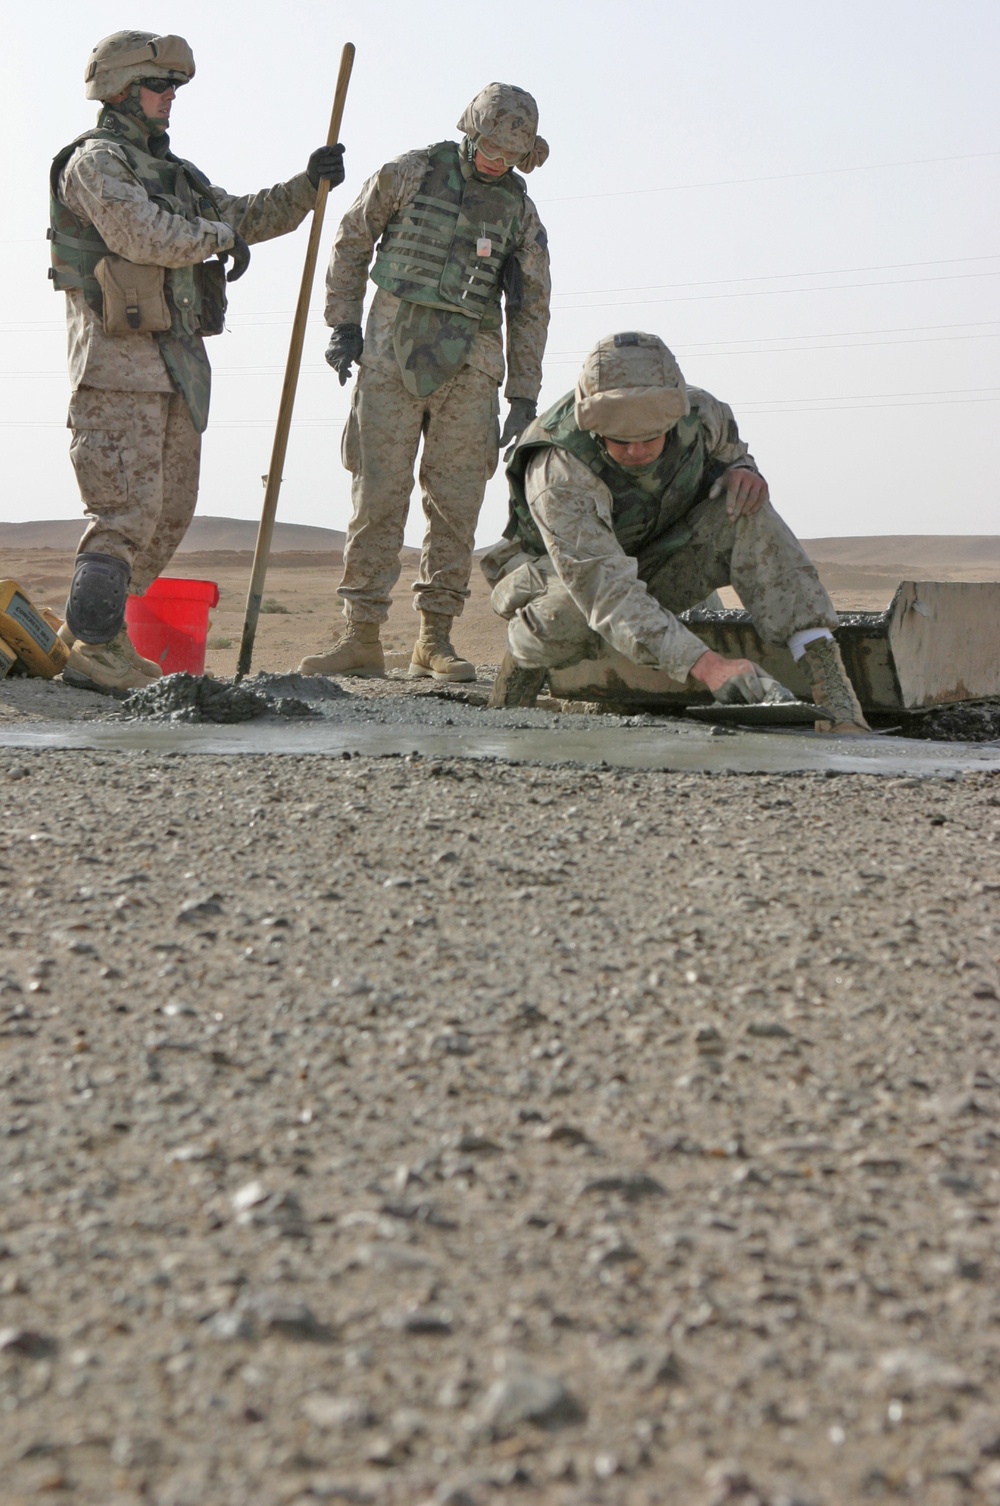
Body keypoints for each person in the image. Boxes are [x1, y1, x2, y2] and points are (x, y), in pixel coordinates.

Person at [50, 30, 345, 692]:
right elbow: (142, 234)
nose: (171, 98)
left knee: (168, 516)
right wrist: (218, 237)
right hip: (117, 369)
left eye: (175, 86)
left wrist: (307, 186)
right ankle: (96, 649)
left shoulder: (176, 175)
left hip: (178, 369)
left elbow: (241, 215)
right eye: (160, 86)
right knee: (124, 513)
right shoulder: (93, 164)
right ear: (122, 89)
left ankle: (83, 634)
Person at [485, 331, 869, 734]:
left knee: (747, 509)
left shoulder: (703, 415)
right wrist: (708, 667)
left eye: (650, 438)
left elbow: (734, 456)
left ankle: (838, 698)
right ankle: (515, 684)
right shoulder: (557, 468)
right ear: (594, 425)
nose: (636, 452)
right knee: (566, 615)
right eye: (620, 441)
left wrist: (743, 473)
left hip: (657, 552)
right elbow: (607, 593)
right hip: (555, 575)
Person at [296, 82, 551, 684]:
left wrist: (523, 392)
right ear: (471, 130)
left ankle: (434, 640)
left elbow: (532, 302)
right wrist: (341, 324)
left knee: (456, 504)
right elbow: (353, 239)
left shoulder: (519, 210)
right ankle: (360, 636)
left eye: (510, 152)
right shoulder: (409, 173)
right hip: (390, 352)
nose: (496, 158)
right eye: (490, 144)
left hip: (471, 366)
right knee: (378, 494)